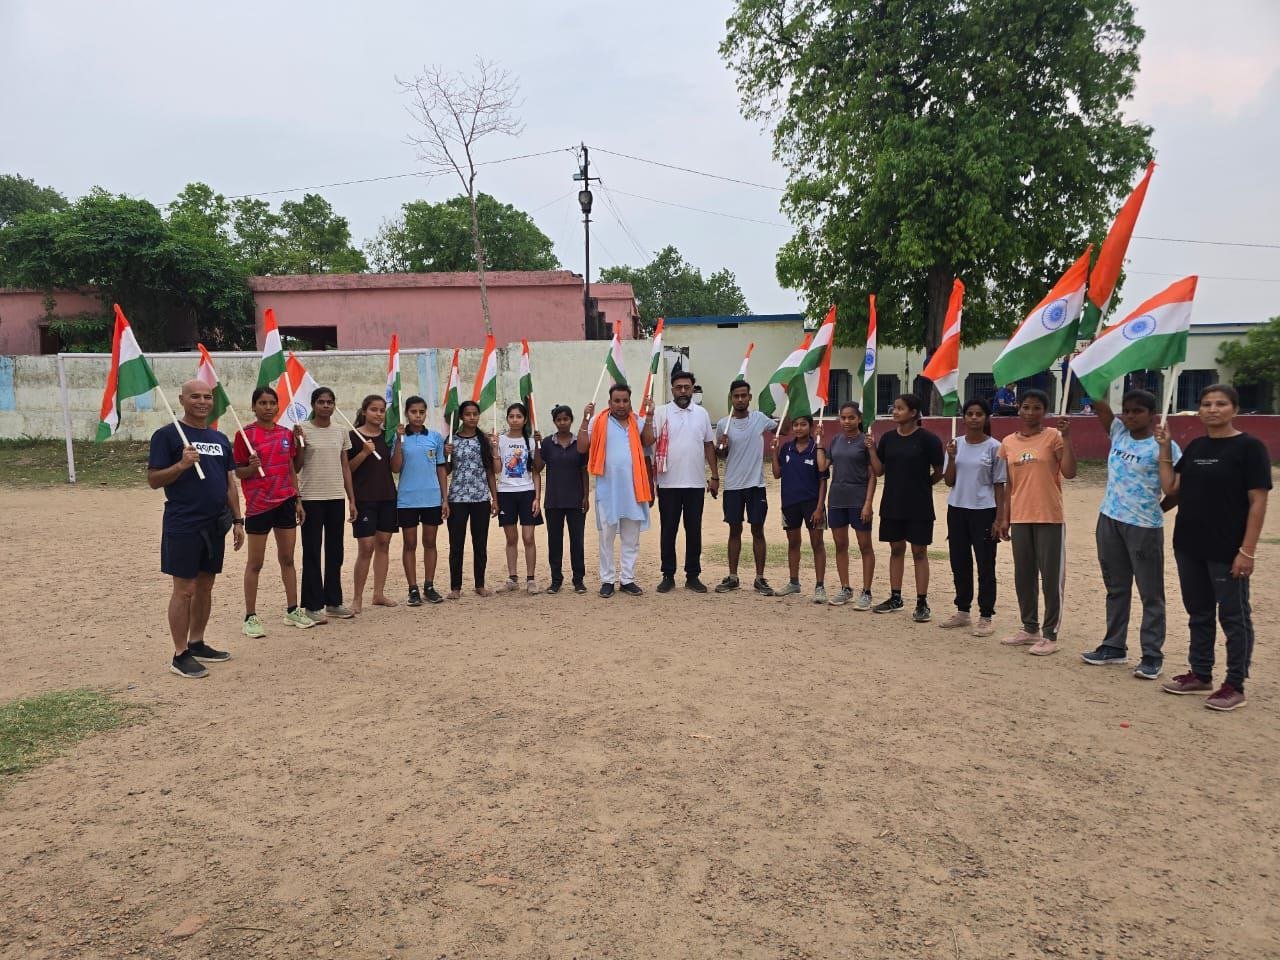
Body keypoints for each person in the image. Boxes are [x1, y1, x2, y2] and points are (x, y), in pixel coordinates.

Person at [1158, 384, 1271, 711]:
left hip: (1228, 548)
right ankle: (1201, 673)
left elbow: (1257, 502)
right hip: (1189, 544)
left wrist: (1246, 550)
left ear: (1234, 409)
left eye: (1221, 403)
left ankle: (1235, 684)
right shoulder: (1195, 447)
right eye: (1206, 403)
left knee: (1234, 617)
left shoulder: (1250, 448)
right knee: (1199, 612)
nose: (1212, 409)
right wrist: (1165, 449)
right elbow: (1172, 487)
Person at [148, 379, 245, 679]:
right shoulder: (167, 436)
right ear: (182, 400)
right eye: (195, 397)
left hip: (216, 523)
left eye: (207, 397)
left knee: (205, 586)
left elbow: (229, 481)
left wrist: (238, 519)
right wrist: (181, 465)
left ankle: (198, 642)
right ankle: (180, 654)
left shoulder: (219, 439)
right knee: (185, 590)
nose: (202, 402)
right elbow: (154, 479)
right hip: (184, 522)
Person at [1080, 390, 1179, 679]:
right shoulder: (1119, 434)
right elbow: (1100, 408)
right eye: (1127, 410)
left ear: (1152, 414)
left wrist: (1157, 510)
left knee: (1151, 593)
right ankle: (1114, 646)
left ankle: (1151, 654)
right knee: (1116, 587)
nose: (1130, 415)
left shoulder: (1165, 446)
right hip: (1110, 520)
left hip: (1143, 527)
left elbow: (1176, 488)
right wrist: (1090, 372)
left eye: (1137, 411)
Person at [995, 388, 1077, 656]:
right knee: (1024, 575)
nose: (1030, 412)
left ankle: (1050, 633)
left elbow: (1070, 472)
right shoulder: (1008, 442)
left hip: (1049, 516)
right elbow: (1009, 485)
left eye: (1037, 408)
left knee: (1051, 578)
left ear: (1045, 411)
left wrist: (1067, 437)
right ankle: (1029, 628)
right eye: (1026, 407)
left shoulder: (1053, 436)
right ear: (1018, 409)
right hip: (1020, 517)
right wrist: (1004, 517)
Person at [233, 386, 313, 638]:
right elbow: (238, 471)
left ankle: (292, 609)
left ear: (278, 407)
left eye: (271, 403)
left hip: (285, 502)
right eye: (262, 403)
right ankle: (251, 616)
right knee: (255, 563)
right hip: (258, 506)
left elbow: (293, 468)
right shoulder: (244, 435)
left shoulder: (285, 434)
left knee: (287, 558)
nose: (267, 407)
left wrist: (297, 499)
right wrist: (250, 467)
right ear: (254, 406)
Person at [866, 394, 944, 621]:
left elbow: (939, 471)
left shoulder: (928, 440)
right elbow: (879, 471)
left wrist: (923, 485)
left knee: (919, 552)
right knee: (896, 549)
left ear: (913, 412)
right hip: (892, 503)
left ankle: (922, 602)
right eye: (894, 407)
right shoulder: (888, 439)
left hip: (919, 506)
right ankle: (896, 597)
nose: (895, 411)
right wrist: (871, 450)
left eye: (900, 408)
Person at [578, 384, 655, 597]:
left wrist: (649, 416)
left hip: (634, 489)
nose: (621, 405)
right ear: (609, 402)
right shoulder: (597, 421)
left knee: (631, 537)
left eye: (625, 401)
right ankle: (607, 580)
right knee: (606, 537)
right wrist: (585, 419)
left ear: (630, 402)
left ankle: (627, 579)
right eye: (617, 401)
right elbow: (582, 447)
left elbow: (649, 442)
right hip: (608, 490)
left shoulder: (636, 422)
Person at [939, 398, 1007, 637]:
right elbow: (948, 481)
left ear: (986, 417)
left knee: (986, 563)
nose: (974, 418)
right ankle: (963, 611)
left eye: (979, 414)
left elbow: (1000, 485)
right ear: (964, 417)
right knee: (960, 562)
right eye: (970, 414)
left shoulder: (995, 447)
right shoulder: (955, 444)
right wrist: (952, 457)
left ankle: (986, 615)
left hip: (984, 511)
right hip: (957, 509)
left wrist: (1000, 518)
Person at [652, 370, 719, 593]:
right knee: (668, 531)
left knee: (694, 530)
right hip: (668, 484)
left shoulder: (701, 414)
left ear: (693, 389)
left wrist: (715, 476)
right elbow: (648, 441)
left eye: (687, 387)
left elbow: (709, 445)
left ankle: (693, 575)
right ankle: (668, 575)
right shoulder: (661, 413)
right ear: (672, 389)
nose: (682, 391)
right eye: (678, 387)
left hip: (695, 485)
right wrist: (648, 416)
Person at [297, 387, 357, 622]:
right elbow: (297, 466)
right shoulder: (303, 430)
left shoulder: (341, 431)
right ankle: (312, 605)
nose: (325, 406)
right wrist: (299, 443)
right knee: (312, 551)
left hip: (334, 497)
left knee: (335, 551)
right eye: (321, 402)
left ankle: (333, 601)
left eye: (330, 402)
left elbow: (345, 467)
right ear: (313, 405)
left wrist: (351, 498)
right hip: (311, 497)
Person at [714, 379, 778, 595]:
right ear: (731, 398)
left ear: (750, 397)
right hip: (733, 486)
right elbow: (720, 454)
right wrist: (722, 446)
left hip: (756, 485)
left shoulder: (759, 419)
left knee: (758, 530)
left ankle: (760, 578)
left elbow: (783, 428)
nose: (740, 399)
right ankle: (732, 576)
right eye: (736, 396)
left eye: (744, 395)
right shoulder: (724, 423)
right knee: (735, 530)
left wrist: (792, 399)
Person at [391, 395, 448, 606]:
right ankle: (412, 588)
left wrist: (445, 499)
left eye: (422, 412)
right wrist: (398, 441)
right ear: (406, 413)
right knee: (410, 543)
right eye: (413, 412)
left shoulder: (434, 437)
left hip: (432, 498)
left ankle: (429, 585)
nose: (418, 416)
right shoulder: (399, 437)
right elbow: (395, 467)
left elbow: (441, 469)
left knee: (430, 542)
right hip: (407, 499)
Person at [347, 394, 398, 613]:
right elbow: (347, 468)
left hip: (387, 497)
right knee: (366, 547)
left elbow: (395, 468)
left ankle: (378, 594)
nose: (378, 414)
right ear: (364, 411)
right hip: (364, 499)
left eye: (382, 410)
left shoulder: (388, 437)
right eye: (374, 409)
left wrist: (401, 444)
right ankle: (357, 597)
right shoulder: (352, 436)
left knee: (383, 544)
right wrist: (364, 452)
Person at [770, 413, 828, 602]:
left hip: (812, 504)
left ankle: (820, 586)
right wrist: (773, 452)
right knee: (793, 543)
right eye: (795, 425)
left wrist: (820, 507)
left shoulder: (816, 448)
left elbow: (823, 480)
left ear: (810, 427)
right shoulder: (786, 448)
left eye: (803, 424)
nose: (798, 428)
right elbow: (777, 474)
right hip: (790, 503)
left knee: (817, 544)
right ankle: (793, 582)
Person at [825, 401, 877, 608]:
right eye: (843, 418)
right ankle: (845, 588)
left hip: (858, 500)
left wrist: (868, 503)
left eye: (851, 417)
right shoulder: (835, 440)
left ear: (859, 419)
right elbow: (823, 466)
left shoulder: (867, 442)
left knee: (865, 546)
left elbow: (874, 475)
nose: (846, 421)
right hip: (837, 499)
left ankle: (866, 591)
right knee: (840, 545)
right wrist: (819, 442)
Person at [444, 400, 498, 599]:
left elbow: (490, 471)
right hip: (457, 498)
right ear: (461, 417)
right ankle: (455, 587)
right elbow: (447, 470)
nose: (472, 417)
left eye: (475, 414)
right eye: (468, 414)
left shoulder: (483, 440)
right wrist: (445, 454)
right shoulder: (451, 440)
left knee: (480, 543)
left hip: (480, 498)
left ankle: (480, 584)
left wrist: (495, 498)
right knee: (456, 544)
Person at [494, 402, 544, 594]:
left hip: (527, 492)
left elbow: (536, 472)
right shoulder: (500, 440)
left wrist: (537, 498)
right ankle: (512, 577)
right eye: (511, 416)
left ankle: (531, 579)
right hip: (506, 493)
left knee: (528, 537)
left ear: (524, 420)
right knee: (511, 537)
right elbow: (498, 470)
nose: (515, 419)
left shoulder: (530, 442)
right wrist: (495, 450)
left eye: (519, 416)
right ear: (507, 418)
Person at [541, 404, 590, 593]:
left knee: (577, 540)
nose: (562, 422)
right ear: (554, 422)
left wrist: (586, 496)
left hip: (576, 500)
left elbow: (584, 471)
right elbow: (537, 467)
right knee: (555, 541)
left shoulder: (580, 444)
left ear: (571, 420)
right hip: (553, 501)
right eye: (559, 419)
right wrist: (537, 447)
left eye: (566, 419)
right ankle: (556, 579)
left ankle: (578, 580)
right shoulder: (546, 443)